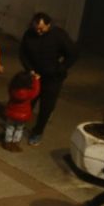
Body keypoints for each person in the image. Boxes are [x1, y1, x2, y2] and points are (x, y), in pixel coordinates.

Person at [20, 12, 78, 146]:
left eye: (42, 28)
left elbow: (73, 53)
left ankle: (37, 132)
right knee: (28, 101)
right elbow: (23, 53)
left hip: (52, 78)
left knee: (46, 106)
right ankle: (20, 123)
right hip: (34, 75)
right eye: (36, 28)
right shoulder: (29, 34)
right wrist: (30, 70)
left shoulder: (58, 35)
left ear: (49, 25)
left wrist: (61, 68)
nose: (38, 31)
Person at [3, 71, 41, 152]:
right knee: (19, 129)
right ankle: (15, 143)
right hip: (23, 115)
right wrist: (36, 80)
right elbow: (36, 91)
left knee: (10, 127)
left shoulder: (12, 89)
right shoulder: (29, 93)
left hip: (11, 112)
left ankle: (7, 142)